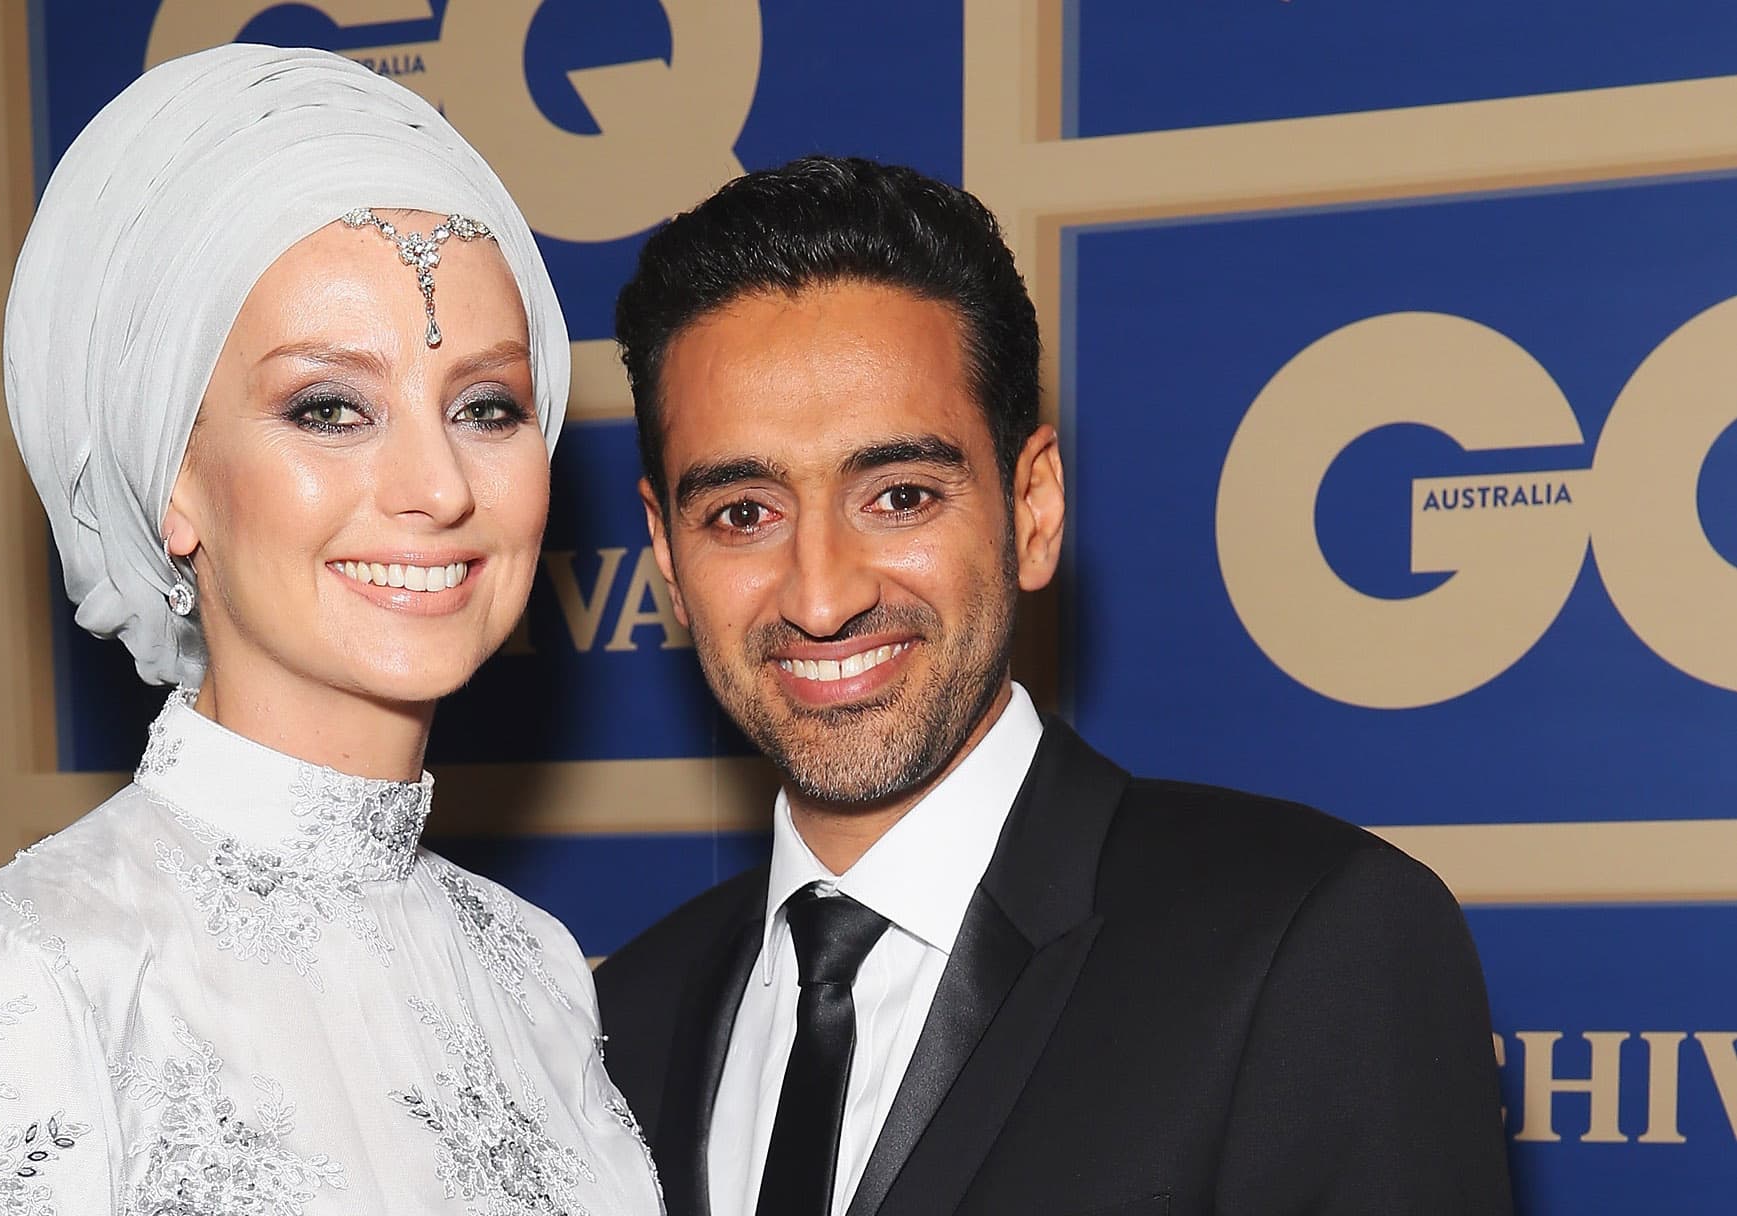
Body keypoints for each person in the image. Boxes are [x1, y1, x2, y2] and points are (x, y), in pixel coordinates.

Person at [594, 156, 1512, 1216]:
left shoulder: (1307, 952)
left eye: (897, 495)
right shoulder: (622, 1019)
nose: (820, 593)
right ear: (666, 550)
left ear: (1030, 508)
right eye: (743, 512)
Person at [0, 46, 663, 1216]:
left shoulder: (531, 968)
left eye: (486, 406)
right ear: (170, 476)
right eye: (329, 408)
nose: (436, 486)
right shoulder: (27, 980)